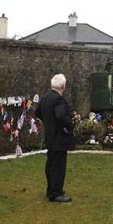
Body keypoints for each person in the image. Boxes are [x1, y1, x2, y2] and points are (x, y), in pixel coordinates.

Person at [35, 74, 76, 203]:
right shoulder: (59, 99)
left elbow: (37, 112)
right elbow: (61, 116)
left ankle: (51, 190)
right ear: (63, 86)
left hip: (50, 136)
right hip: (59, 137)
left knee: (51, 163)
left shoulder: (45, 98)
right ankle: (55, 193)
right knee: (58, 166)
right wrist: (69, 126)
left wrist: (48, 123)